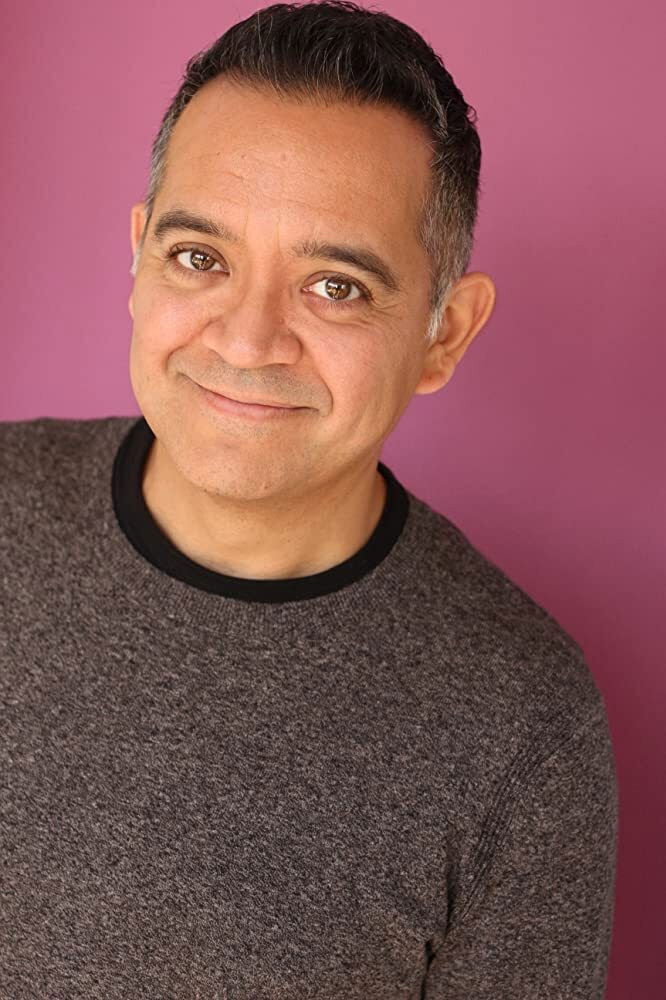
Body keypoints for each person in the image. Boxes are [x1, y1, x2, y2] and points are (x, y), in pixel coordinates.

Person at [0, 2, 618, 997]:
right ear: (139, 259)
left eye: (336, 286)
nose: (247, 342)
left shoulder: (527, 725)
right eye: (200, 258)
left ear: (445, 334)